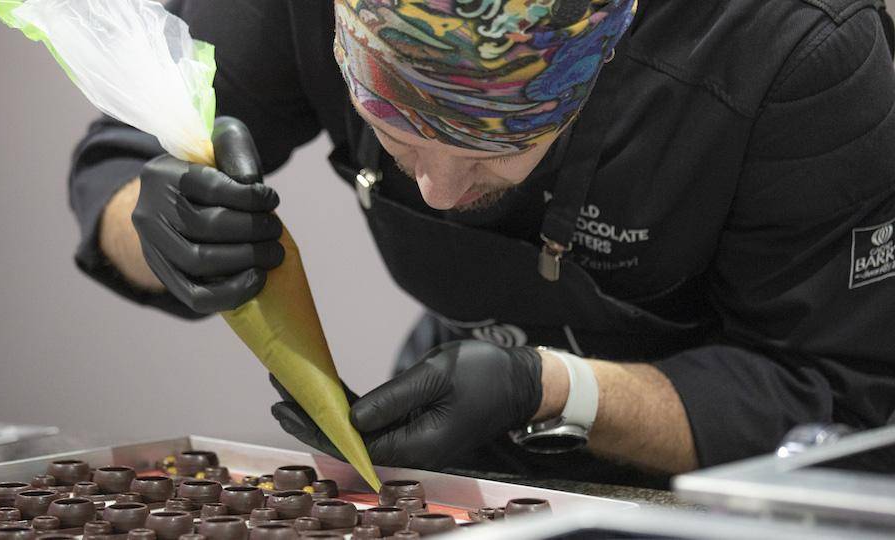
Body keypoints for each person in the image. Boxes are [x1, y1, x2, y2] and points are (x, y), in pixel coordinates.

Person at [69, 0, 895, 483]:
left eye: (491, 154)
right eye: (399, 145)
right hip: (462, 444)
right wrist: (167, 224)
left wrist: (551, 389)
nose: (436, 194)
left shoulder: (797, 48)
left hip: (730, 485)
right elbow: (121, 162)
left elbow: (831, 389)